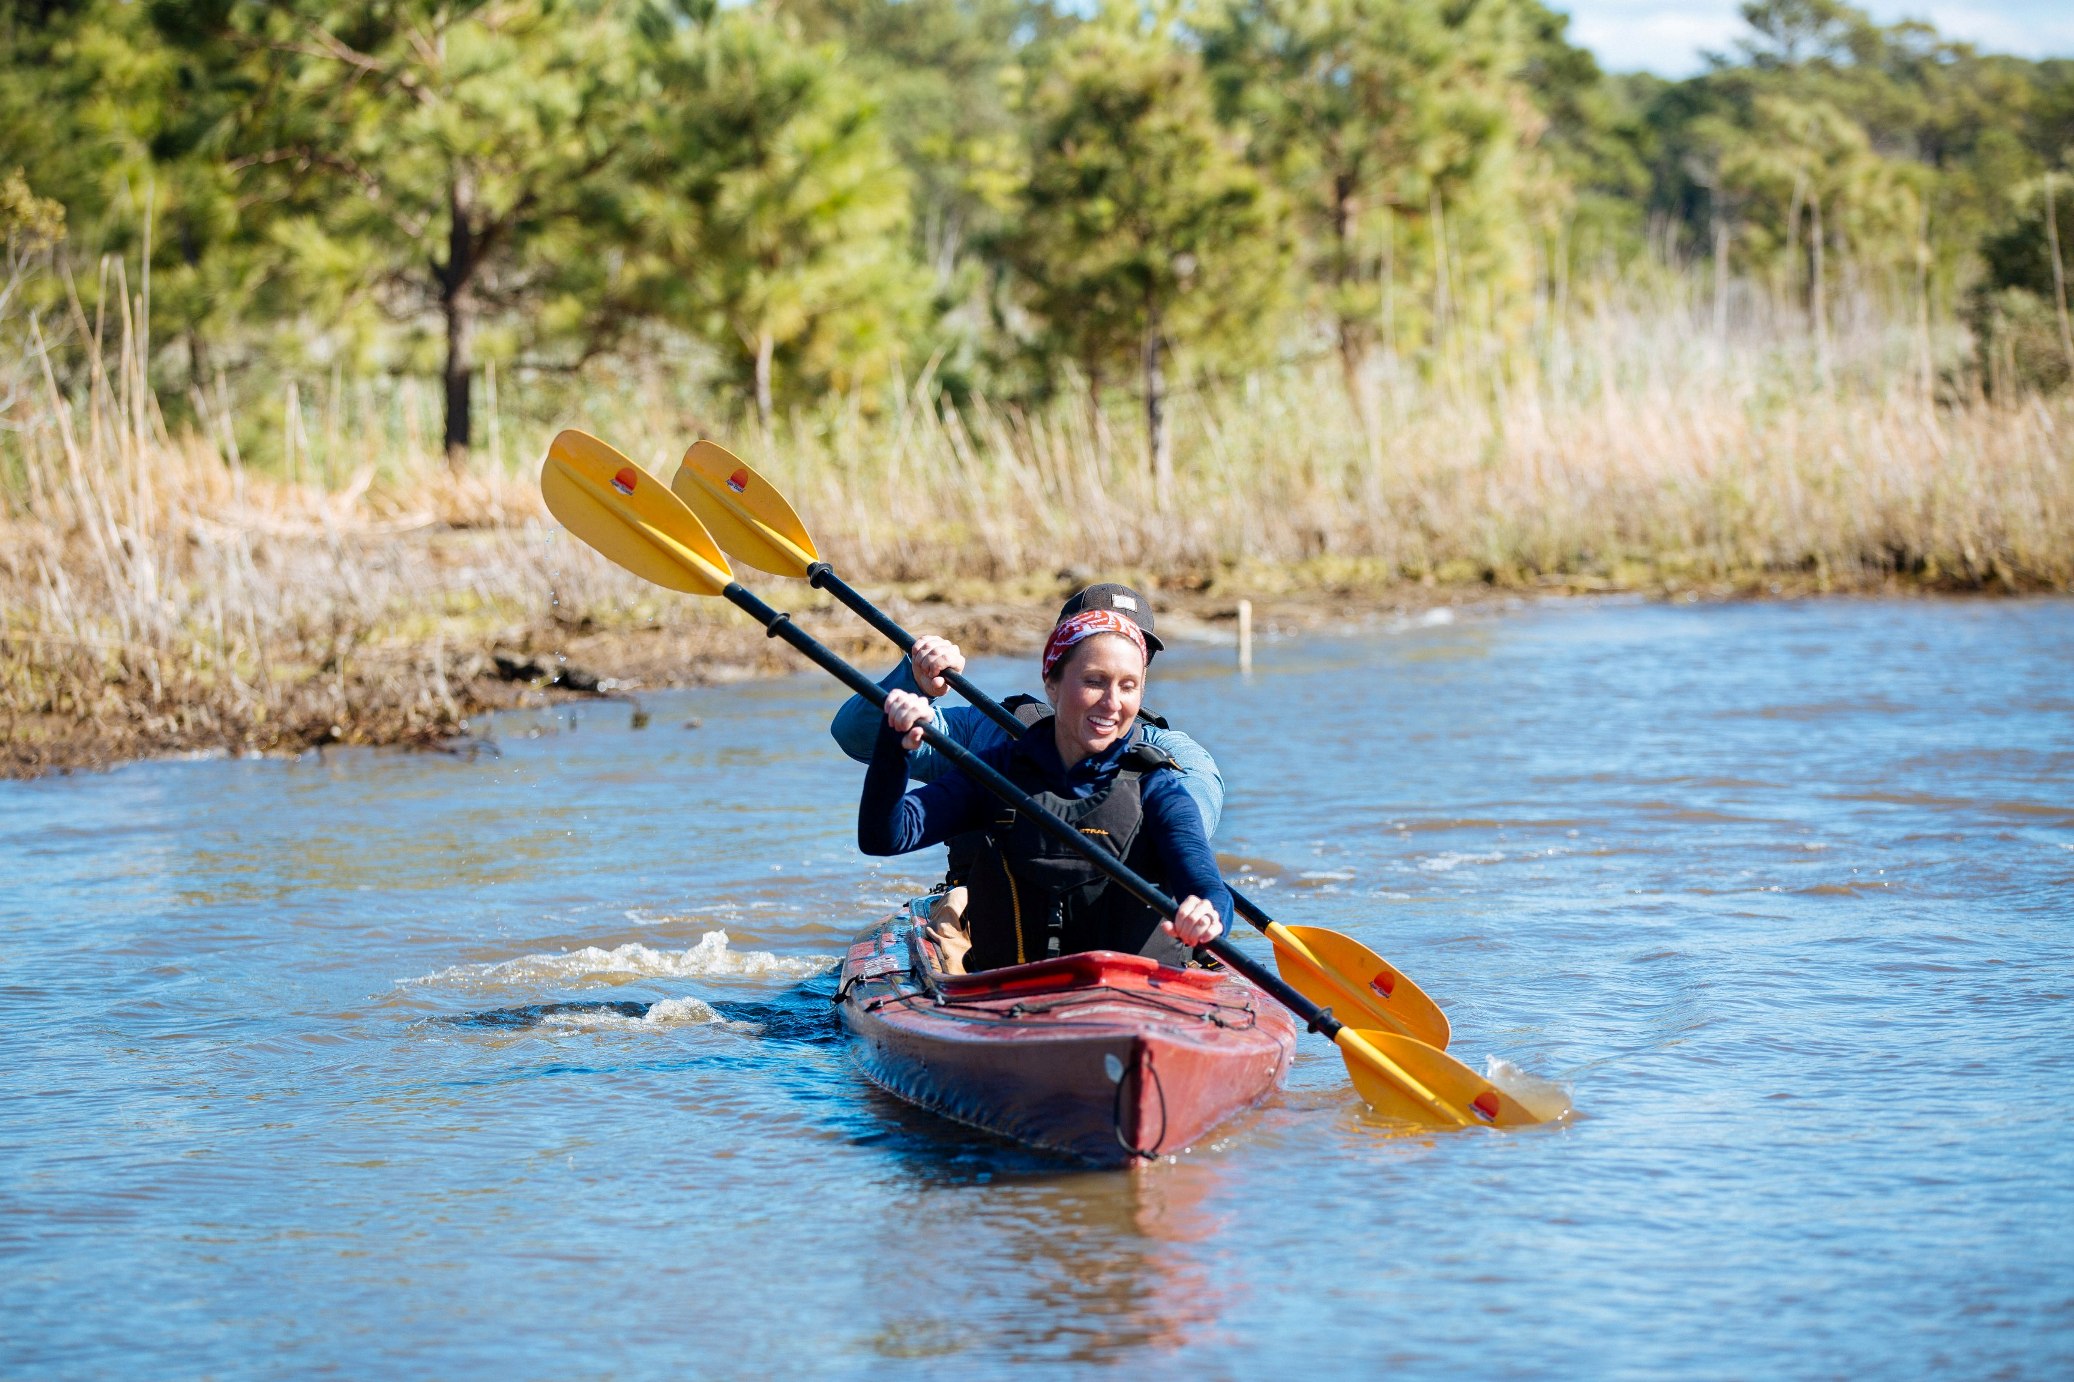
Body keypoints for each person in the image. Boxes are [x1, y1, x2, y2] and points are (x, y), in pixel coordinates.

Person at [831, 584, 1225, 966]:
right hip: (988, 920)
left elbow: (1194, 834)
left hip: (1126, 949)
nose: (1111, 698)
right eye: (1093, 674)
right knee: (958, 906)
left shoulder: (1166, 765)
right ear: (1053, 674)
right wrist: (912, 684)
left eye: (1127, 673)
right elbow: (858, 736)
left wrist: (1206, 910)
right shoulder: (990, 744)